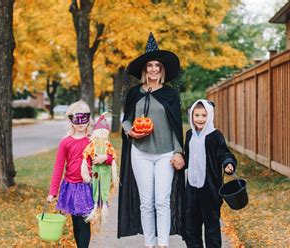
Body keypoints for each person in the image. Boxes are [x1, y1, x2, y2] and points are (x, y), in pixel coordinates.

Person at [118, 32, 186, 248]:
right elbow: (126, 119)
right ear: (145, 69)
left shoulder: (170, 94)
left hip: (165, 153)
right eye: (150, 65)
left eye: (157, 65)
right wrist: (131, 132)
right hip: (140, 153)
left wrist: (178, 152)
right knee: (146, 203)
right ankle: (150, 243)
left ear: (162, 69)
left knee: (162, 201)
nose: (154, 69)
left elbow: (176, 125)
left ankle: (163, 244)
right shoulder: (134, 93)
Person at [46, 100, 114, 248]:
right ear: (71, 120)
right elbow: (58, 168)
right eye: (76, 119)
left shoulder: (94, 141)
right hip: (71, 187)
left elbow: (110, 157)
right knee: (76, 224)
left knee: (84, 224)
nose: (80, 123)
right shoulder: (65, 142)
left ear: (89, 119)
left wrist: (105, 158)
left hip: (87, 187)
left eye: (84, 118)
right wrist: (53, 192)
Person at [184, 99, 237, 248]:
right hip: (192, 189)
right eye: (197, 115)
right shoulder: (190, 135)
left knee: (211, 228)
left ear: (210, 116)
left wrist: (228, 163)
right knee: (191, 228)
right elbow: (187, 157)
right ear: (192, 116)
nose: (200, 119)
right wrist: (178, 161)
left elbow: (225, 153)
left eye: (204, 115)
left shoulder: (215, 136)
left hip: (210, 190)